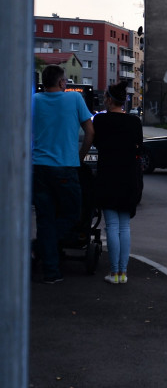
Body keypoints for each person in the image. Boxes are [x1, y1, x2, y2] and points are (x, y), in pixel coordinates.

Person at [31, 65, 95, 284]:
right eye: (65, 81)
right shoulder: (74, 100)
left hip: (38, 167)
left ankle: (51, 271)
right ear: (60, 83)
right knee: (73, 213)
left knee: (45, 218)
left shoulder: (34, 100)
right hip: (66, 167)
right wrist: (80, 156)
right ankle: (42, 246)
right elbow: (90, 132)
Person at [92, 80, 143, 284]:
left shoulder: (100, 121)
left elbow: (96, 142)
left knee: (111, 226)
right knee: (125, 227)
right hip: (129, 177)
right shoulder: (134, 122)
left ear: (109, 99)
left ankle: (114, 272)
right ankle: (123, 272)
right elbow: (139, 147)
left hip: (108, 176)